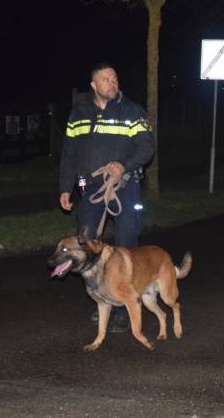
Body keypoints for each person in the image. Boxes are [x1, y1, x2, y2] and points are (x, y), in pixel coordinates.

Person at [59, 63, 156, 332]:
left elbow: (147, 147)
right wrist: (66, 188)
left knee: (126, 247)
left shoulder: (132, 111)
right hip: (90, 189)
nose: (113, 83)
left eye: (114, 79)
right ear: (93, 85)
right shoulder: (79, 114)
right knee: (89, 245)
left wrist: (123, 165)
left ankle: (124, 306)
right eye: (106, 79)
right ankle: (102, 299)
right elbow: (69, 154)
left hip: (125, 186)